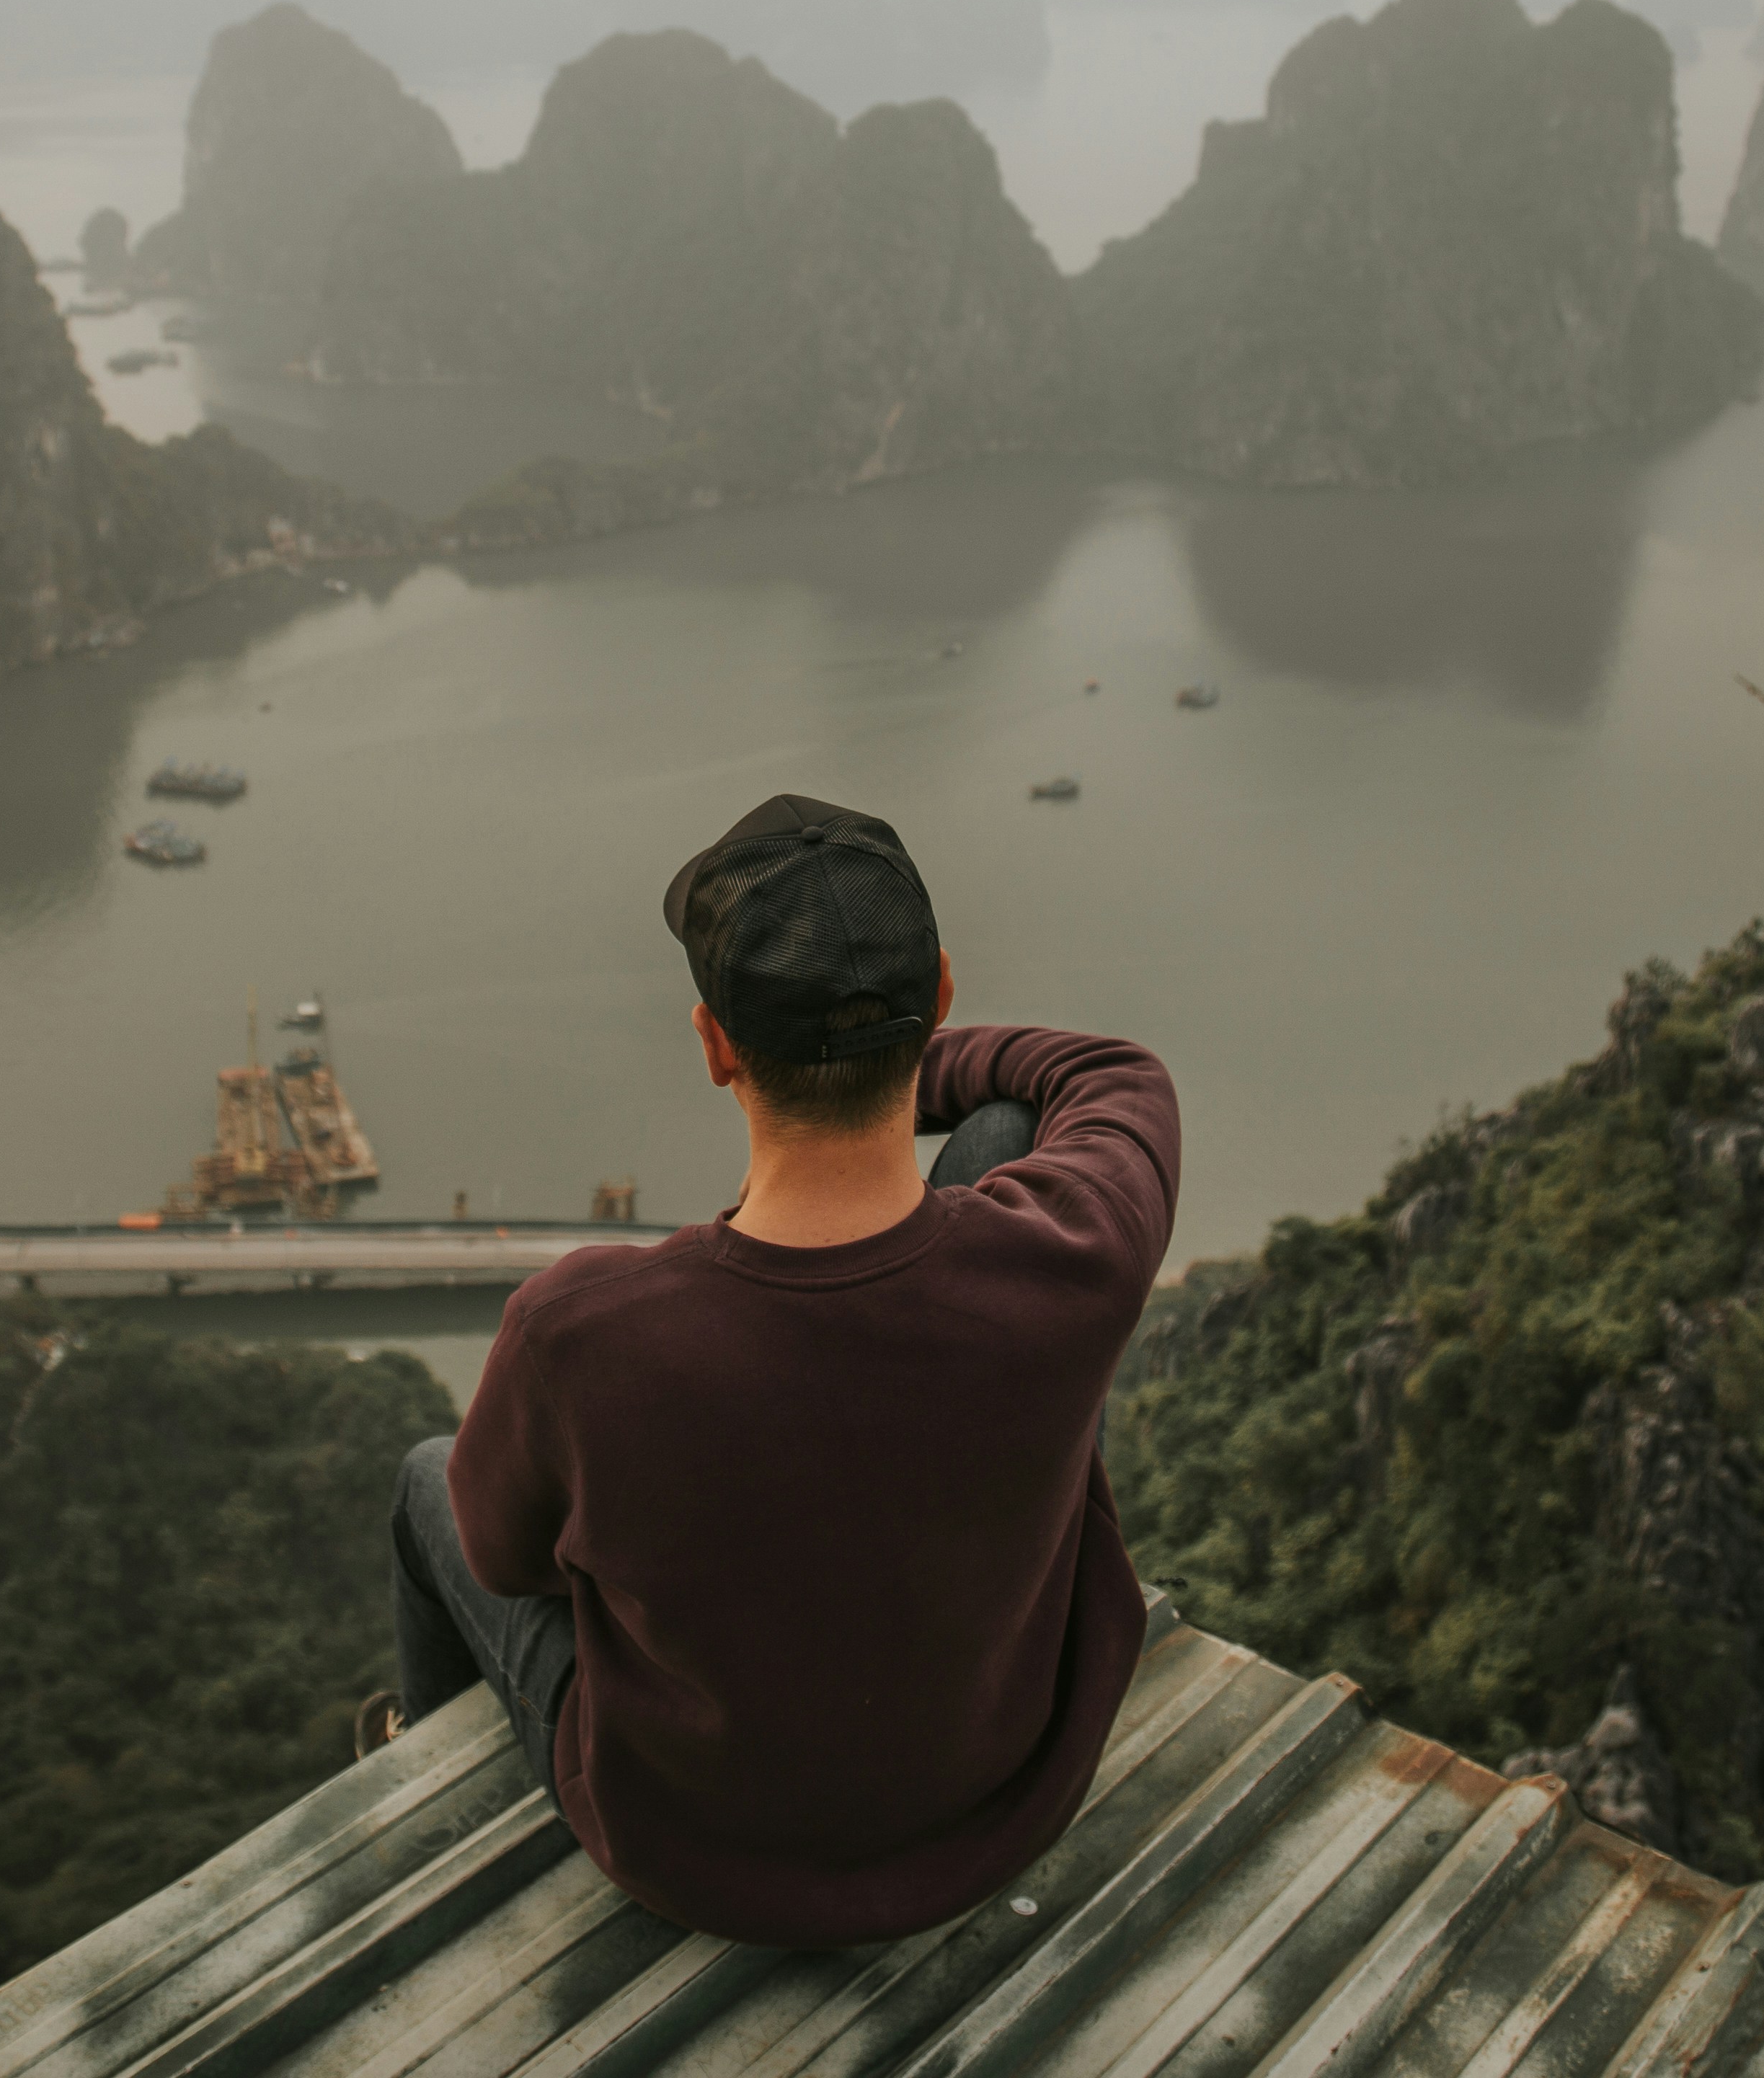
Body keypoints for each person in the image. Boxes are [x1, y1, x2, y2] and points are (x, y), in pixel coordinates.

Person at [378, 792, 1180, 1948]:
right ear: (942, 995)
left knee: (424, 1483)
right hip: (1001, 1792)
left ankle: (418, 1759)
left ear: (714, 1045)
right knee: (1009, 1128)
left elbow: (509, 1564)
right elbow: (1109, 1071)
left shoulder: (582, 1332)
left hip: (702, 1851)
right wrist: (888, 1058)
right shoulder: (1073, 1254)